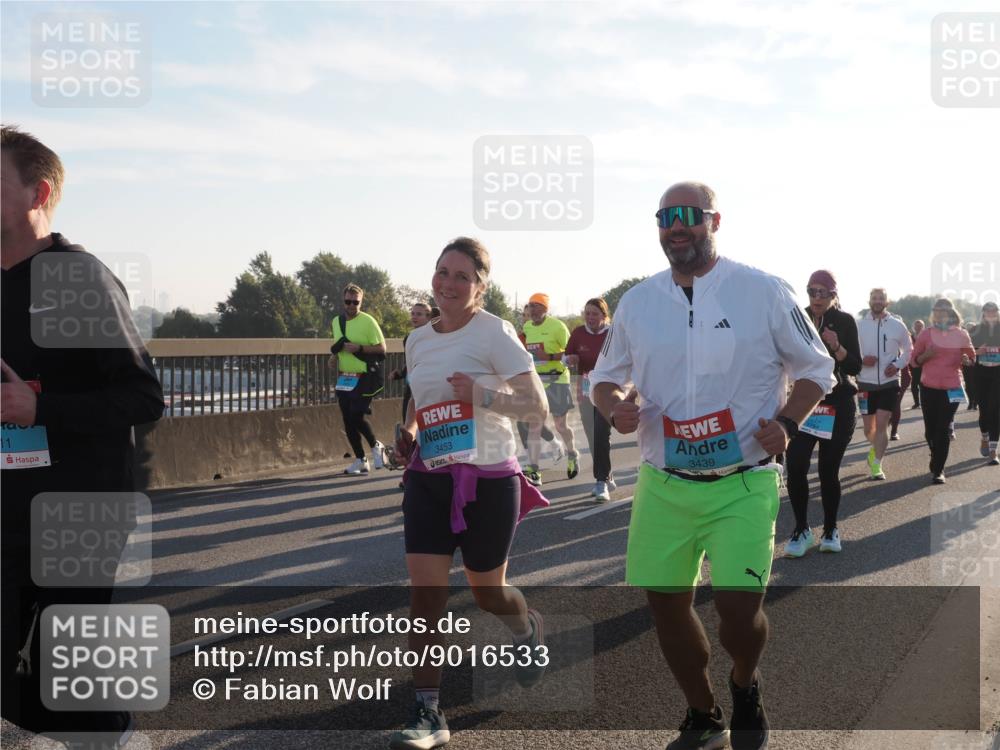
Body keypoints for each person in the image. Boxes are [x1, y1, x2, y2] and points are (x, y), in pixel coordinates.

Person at [590, 182, 833, 750]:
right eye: (664, 217)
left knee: (737, 613)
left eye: (687, 216)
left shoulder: (764, 292)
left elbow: (816, 371)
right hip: (663, 484)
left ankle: (745, 681)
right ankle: (703, 713)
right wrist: (613, 407)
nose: (676, 227)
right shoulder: (637, 302)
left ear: (713, 220)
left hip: (742, 482)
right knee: (666, 608)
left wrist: (789, 423)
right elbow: (604, 377)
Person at [1, 125, 165, 740]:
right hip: (7, 502)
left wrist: (38, 407)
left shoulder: (76, 278)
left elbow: (144, 395)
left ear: (37, 193)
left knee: (72, 677)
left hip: (78, 506)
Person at [390, 237, 549, 749]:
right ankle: (428, 712)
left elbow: (536, 407)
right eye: (441, 272)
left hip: (488, 481)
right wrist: (411, 432)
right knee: (426, 597)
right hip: (429, 479)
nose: (448, 284)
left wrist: (478, 394)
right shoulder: (418, 338)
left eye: (461, 276)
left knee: (488, 593)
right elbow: (419, 398)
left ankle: (526, 629)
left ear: (481, 286)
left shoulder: (495, 332)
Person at [784, 270, 860, 556]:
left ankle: (830, 528)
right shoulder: (798, 318)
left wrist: (836, 346)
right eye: (812, 291)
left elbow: (854, 367)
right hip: (805, 404)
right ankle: (801, 529)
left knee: (828, 470)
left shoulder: (844, 321)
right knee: (797, 465)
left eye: (823, 293)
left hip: (838, 404)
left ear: (833, 295)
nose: (816, 298)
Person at [911, 299, 976, 484]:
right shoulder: (926, 334)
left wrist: (966, 360)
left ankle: (939, 470)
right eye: (937, 310)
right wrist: (926, 355)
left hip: (951, 388)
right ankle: (935, 452)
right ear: (934, 313)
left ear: (951, 313)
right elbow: (914, 361)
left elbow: (971, 358)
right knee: (930, 431)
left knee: (942, 429)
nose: (940, 313)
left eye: (944, 310)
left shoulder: (961, 334)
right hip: (928, 387)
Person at [330, 284, 388, 475]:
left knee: (357, 415)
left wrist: (360, 349)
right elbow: (339, 345)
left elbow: (381, 349)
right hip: (346, 377)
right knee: (347, 420)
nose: (352, 305)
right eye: (348, 301)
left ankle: (376, 445)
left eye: (356, 302)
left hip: (365, 376)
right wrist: (333, 357)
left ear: (361, 302)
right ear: (343, 301)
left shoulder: (368, 321)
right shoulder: (336, 322)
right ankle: (360, 460)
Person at [857, 288, 912, 480]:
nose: (877, 301)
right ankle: (875, 449)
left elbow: (908, 350)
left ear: (887, 302)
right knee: (868, 429)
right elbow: (850, 351)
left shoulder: (897, 325)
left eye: (881, 298)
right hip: (865, 383)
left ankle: (877, 464)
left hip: (889, 383)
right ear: (869, 301)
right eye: (874, 298)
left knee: (882, 425)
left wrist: (896, 365)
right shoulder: (859, 325)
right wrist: (863, 360)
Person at [523, 293, 578, 485]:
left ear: (546, 308)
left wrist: (549, 356)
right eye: (530, 306)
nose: (533, 310)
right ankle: (534, 469)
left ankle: (572, 454)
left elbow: (571, 353)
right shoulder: (527, 327)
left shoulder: (558, 326)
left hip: (557, 379)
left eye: (537, 306)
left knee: (561, 425)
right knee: (534, 424)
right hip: (537, 381)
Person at [565, 298, 616, 501]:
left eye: (595, 313)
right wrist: (570, 360)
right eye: (587, 313)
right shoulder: (578, 333)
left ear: (604, 316)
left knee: (601, 433)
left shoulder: (613, 333)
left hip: (607, 390)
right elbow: (566, 356)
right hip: (584, 390)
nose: (590, 317)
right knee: (592, 435)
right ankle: (606, 474)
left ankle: (600, 482)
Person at [389, 302, 434, 423]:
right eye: (413, 313)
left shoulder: (436, 336)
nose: (414, 317)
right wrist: (399, 374)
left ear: (429, 317)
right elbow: (410, 363)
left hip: (430, 385)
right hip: (412, 386)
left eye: (419, 314)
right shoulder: (409, 337)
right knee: (408, 420)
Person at [971, 301, 1000, 465]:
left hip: (998, 373)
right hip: (981, 373)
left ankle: (993, 450)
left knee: (995, 410)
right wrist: (977, 351)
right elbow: (967, 352)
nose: (991, 313)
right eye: (988, 311)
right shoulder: (975, 330)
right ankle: (984, 437)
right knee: (984, 411)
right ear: (983, 313)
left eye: (994, 310)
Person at [909, 319, 925, 407]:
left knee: (923, 384)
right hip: (912, 364)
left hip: (924, 363)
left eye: (920, 326)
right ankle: (916, 402)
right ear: (914, 327)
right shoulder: (910, 337)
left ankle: (923, 401)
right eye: (916, 326)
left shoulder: (925, 337)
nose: (918, 328)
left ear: (923, 327)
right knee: (914, 384)